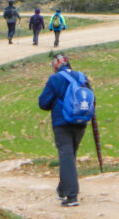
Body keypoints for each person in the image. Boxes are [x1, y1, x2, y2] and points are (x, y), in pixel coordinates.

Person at [38, 54, 93, 207]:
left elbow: (43, 103)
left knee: (66, 156)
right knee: (69, 156)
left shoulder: (55, 79)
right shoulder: (81, 76)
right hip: (81, 121)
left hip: (62, 122)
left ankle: (71, 195)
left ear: (55, 67)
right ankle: (62, 190)